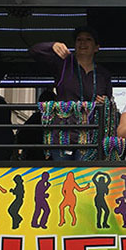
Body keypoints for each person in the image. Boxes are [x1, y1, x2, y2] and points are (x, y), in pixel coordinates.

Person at [29, 26, 113, 160]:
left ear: (97, 47)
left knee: (85, 178)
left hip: (90, 136)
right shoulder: (63, 65)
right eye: (79, 40)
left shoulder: (103, 74)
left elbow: (109, 105)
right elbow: (34, 51)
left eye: (88, 40)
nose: (83, 43)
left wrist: (104, 103)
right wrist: (53, 45)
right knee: (62, 176)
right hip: (63, 134)